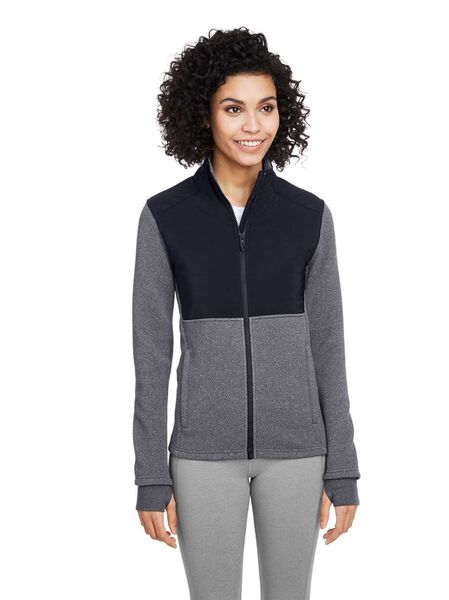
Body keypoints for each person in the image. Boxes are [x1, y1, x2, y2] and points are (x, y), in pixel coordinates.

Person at [132, 26, 361, 600]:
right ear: (203, 115)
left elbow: (328, 345)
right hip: (202, 454)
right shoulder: (165, 217)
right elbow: (150, 353)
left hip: (299, 452)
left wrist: (343, 465)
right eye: (233, 108)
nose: (253, 125)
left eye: (266, 107)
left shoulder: (309, 216)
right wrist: (150, 473)